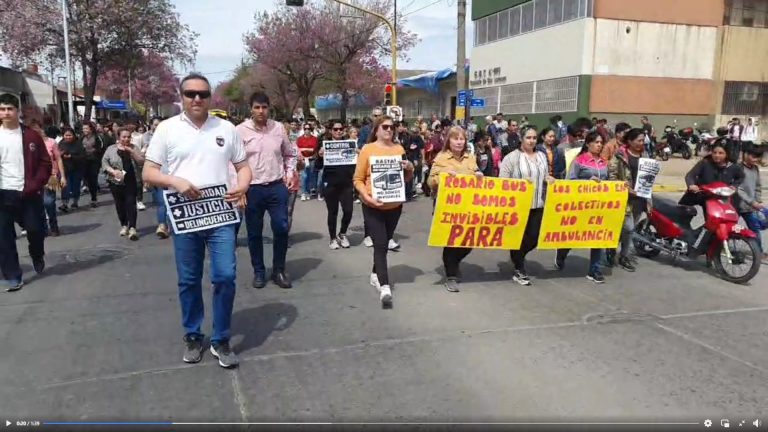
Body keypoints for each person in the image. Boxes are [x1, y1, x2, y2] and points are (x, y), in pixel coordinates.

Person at [143, 73, 252, 368]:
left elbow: (243, 167)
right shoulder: (167, 130)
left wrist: (242, 185)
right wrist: (174, 181)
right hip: (185, 218)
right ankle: (193, 334)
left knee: (225, 276)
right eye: (190, 94)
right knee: (189, 279)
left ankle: (220, 338)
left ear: (210, 97)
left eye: (203, 94)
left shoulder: (227, 129)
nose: (197, 99)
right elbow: (149, 173)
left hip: (220, 216)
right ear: (181, 97)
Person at [236, 91, 297, 290]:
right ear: (250, 109)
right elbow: (233, 162)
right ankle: (259, 272)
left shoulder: (278, 128)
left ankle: (278, 270)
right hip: (252, 189)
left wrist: (289, 173)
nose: (261, 111)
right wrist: (239, 189)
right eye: (257, 107)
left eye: (264, 107)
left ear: (269, 108)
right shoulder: (239, 131)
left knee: (281, 228)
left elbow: (289, 154)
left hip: (276, 186)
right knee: (254, 233)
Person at [354, 115, 414, 306]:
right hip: (372, 206)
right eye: (385, 127)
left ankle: (375, 273)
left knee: (384, 241)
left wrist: (410, 168)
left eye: (392, 127)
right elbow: (358, 179)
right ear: (377, 129)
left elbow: (404, 178)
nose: (389, 130)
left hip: (394, 206)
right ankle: (385, 286)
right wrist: (367, 196)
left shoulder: (399, 149)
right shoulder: (367, 150)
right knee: (380, 244)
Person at [0, 93, 52, 291]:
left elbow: (45, 163)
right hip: (3, 194)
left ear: (17, 111)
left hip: (28, 193)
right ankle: (13, 276)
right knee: (3, 238)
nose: (6, 113)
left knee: (35, 230)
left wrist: (35, 184)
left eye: (9, 109)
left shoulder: (30, 135)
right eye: (2, 109)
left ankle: (37, 254)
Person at [428, 126, 483, 292]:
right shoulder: (441, 157)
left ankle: (455, 262)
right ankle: (451, 274)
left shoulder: (471, 157)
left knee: (468, 242)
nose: (459, 142)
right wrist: (443, 176)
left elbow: (476, 176)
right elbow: (430, 182)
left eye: (462, 139)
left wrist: (479, 176)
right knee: (451, 242)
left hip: (468, 208)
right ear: (449, 141)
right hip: (447, 208)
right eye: (455, 138)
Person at [499, 126, 555, 286]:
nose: (532, 141)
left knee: (534, 238)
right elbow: (502, 181)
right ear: (521, 139)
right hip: (519, 206)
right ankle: (519, 268)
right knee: (519, 237)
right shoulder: (512, 158)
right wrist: (520, 183)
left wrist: (549, 178)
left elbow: (544, 174)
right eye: (528, 138)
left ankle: (517, 256)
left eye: (534, 138)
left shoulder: (542, 156)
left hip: (538, 203)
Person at [555, 132, 609, 284]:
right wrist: (586, 181)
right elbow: (570, 181)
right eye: (596, 142)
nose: (599, 145)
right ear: (588, 144)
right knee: (574, 236)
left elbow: (609, 181)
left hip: (599, 206)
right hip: (581, 206)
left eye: (601, 143)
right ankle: (562, 252)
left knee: (598, 238)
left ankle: (595, 270)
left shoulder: (603, 162)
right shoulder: (579, 161)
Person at [608, 128, 651, 272]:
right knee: (628, 227)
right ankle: (615, 251)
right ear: (630, 141)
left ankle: (622, 255)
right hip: (623, 199)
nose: (641, 143)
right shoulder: (620, 155)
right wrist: (624, 188)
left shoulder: (645, 155)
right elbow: (612, 176)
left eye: (643, 140)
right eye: (638, 140)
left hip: (639, 199)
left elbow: (649, 179)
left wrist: (649, 200)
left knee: (628, 231)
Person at [317, 120, 354, 250]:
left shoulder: (349, 144)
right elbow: (317, 166)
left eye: (340, 129)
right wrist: (320, 156)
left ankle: (342, 234)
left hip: (346, 184)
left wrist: (357, 154)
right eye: (335, 129)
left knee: (348, 211)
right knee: (333, 212)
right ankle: (332, 238)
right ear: (331, 131)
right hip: (330, 183)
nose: (338, 131)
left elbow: (355, 164)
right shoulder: (324, 144)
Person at [101, 128, 144, 240]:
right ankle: (124, 225)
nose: (126, 139)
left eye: (128, 137)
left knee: (131, 203)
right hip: (115, 181)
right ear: (118, 138)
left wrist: (132, 152)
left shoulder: (134, 148)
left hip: (131, 179)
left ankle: (132, 227)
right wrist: (113, 171)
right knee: (119, 204)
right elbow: (104, 163)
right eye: (124, 137)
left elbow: (141, 162)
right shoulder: (111, 149)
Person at [680, 140, 744, 209]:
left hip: (720, 196)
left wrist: (734, 186)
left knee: (736, 202)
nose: (717, 155)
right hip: (702, 193)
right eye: (714, 152)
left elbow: (741, 177)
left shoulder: (733, 166)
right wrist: (691, 185)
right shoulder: (705, 163)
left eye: (721, 153)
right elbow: (690, 175)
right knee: (683, 208)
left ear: (727, 154)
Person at [29, 120, 66, 237]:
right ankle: (43, 228)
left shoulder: (51, 142)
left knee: (49, 202)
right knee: (38, 203)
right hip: (34, 177)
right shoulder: (28, 144)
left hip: (52, 175)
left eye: (37, 129)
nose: (35, 131)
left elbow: (59, 159)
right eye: (32, 129)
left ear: (41, 129)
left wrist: (63, 176)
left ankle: (54, 226)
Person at [736, 147, 766, 261]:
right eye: (753, 156)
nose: (755, 159)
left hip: (750, 207)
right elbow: (738, 189)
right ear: (746, 154)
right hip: (735, 205)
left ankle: (759, 252)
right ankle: (717, 248)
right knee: (728, 229)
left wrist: (758, 201)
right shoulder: (738, 168)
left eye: (757, 157)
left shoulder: (755, 169)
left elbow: (758, 186)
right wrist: (752, 202)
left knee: (755, 229)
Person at [58, 127, 86, 212]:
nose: (68, 137)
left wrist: (71, 156)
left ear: (73, 135)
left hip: (76, 168)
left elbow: (82, 156)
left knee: (75, 186)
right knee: (65, 186)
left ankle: (75, 202)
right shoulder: (61, 143)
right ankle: (64, 203)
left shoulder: (78, 144)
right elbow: (57, 155)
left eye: (70, 135)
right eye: (66, 135)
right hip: (65, 169)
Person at [81, 122, 104, 208]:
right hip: (85, 161)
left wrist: (94, 151)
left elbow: (101, 147)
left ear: (91, 129)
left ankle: (94, 198)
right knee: (87, 178)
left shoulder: (97, 137)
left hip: (94, 161)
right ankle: (90, 189)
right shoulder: (81, 138)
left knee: (93, 178)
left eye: (86, 128)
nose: (85, 130)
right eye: (83, 129)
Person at [297, 123, 318, 201]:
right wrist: (306, 150)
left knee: (310, 176)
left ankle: (308, 192)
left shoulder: (314, 139)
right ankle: (303, 192)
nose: (307, 130)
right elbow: (298, 149)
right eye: (305, 129)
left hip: (311, 159)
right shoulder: (299, 139)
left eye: (308, 129)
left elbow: (314, 149)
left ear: (310, 129)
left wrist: (306, 149)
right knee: (303, 176)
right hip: (302, 159)